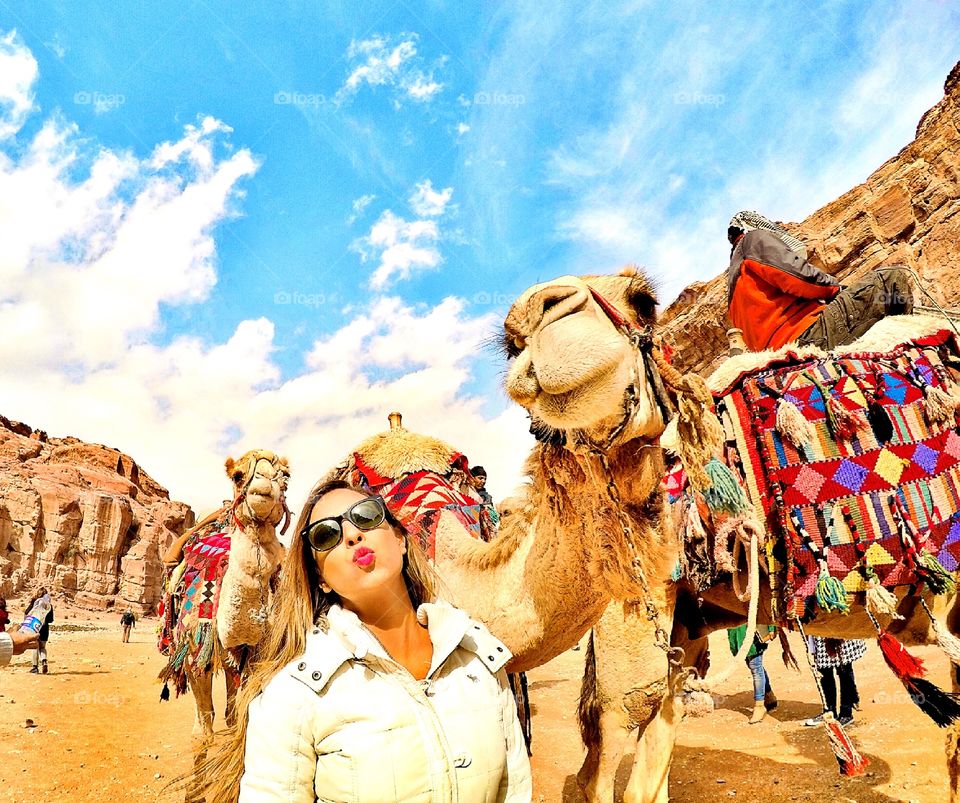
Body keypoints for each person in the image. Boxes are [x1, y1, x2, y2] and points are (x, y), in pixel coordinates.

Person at [191, 480, 532, 802]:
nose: (352, 535)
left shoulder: (478, 659)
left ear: (400, 539)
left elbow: (514, 791)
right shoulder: (293, 696)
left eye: (366, 516)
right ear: (320, 578)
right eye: (326, 535)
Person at [726, 210, 914, 353]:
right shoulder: (752, 240)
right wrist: (835, 289)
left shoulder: (733, 287)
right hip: (809, 334)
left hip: (782, 351)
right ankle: (910, 347)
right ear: (746, 226)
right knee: (891, 278)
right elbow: (797, 276)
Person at [804, 636, 865, 727]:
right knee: (824, 670)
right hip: (820, 632)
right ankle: (829, 711)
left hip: (839, 630)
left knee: (844, 669)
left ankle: (846, 714)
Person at [727, 623, 778, 724]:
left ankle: (759, 706)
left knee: (755, 666)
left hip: (753, 630)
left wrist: (771, 628)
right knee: (753, 665)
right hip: (737, 630)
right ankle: (769, 695)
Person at [26, 589, 53, 674]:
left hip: (35, 627)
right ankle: (44, 661)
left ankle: (35, 667)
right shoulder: (49, 605)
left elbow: (27, 612)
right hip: (45, 629)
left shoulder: (35, 603)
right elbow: (51, 619)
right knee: (42, 647)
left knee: (35, 647)